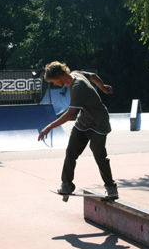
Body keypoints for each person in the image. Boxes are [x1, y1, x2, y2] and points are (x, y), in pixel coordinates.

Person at [38, 61, 118, 199]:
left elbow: (70, 114)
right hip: (84, 121)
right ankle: (66, 184)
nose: (55, 85)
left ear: (59, 76)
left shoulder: (77, 87)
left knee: (99, 155)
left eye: (53, 82)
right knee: (71, 151)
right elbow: (93, 76)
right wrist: (103, 87)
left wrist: (49, 127)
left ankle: (111, 188)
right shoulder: (76, 73)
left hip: (98, 122)